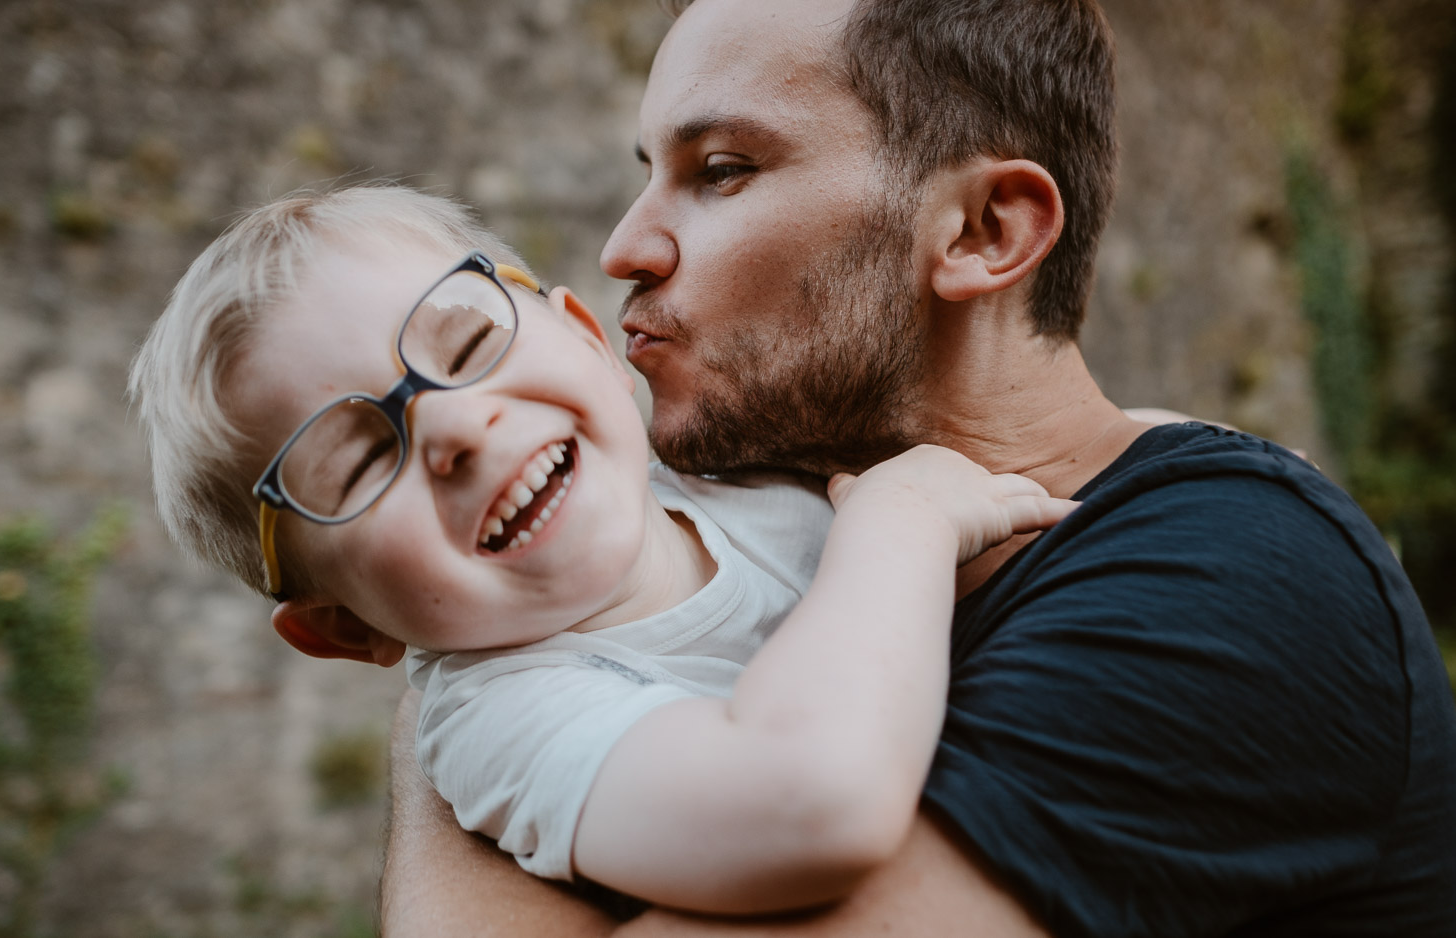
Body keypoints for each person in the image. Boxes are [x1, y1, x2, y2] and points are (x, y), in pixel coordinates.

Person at [380, 0, 1456, 935]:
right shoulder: (779, 557)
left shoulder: (1227, 590)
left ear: (986, 230)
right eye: (647, 175)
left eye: (721, 171)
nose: (625, 246)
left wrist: (465, 664)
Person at [127, 183, 1079, 915]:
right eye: (357, 461)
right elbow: (811, 801)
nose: (457, 425)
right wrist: (902, 523)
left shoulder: (734, 472)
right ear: (343, 628)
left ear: (586, 338)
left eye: (463, 347)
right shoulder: (505, 720)